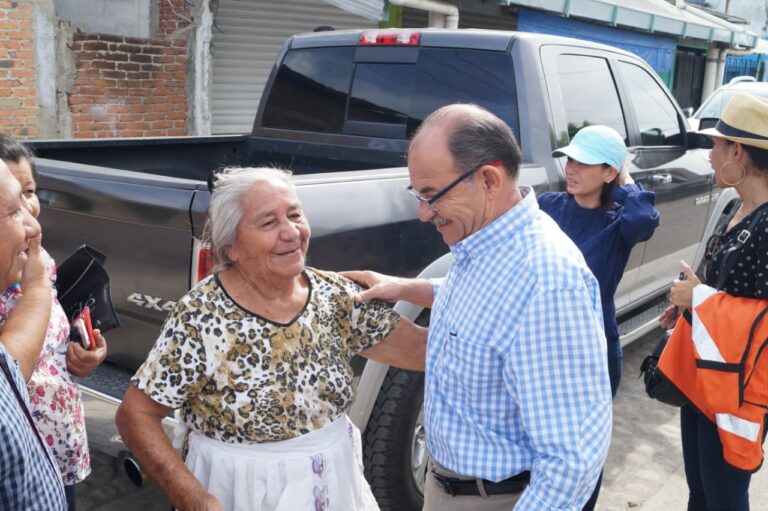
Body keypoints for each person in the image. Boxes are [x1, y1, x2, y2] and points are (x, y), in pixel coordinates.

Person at [343, 104, 612, 510]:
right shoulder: (487, 244)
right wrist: (401, 287)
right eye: (417, 193)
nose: (422, 212)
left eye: (432, 194)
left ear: (488, 179)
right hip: (451, 489)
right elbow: (484, 299)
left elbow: (571, 460)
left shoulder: (548, 281)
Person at [115, 166, 427, 511]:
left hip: (332, 481)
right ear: (230, 246)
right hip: (239, 490)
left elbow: (426, 350)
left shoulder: (335, 296)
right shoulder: (203, 314)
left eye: (295, 215)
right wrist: (193, 498)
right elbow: (137, 414)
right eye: (268, 223)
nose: (291, 232)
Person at [539, 126, 659, 510]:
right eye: (570, 159)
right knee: (539, 449)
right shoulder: (548, 207)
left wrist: (624, 178)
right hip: (540, 344)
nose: (571, 168)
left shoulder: (620, 221)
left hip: (592, 350)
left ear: (609, 172)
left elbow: (645, 219)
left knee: (583, 456)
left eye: (584, 162)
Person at [665, 93, 768, 511]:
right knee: (701, 494)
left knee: (724, 500)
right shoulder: (736, 208)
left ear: (737, 151)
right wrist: (690, 303)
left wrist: (701, 299)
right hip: (705, 377)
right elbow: (726, 289)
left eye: (716, 145)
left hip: (738, 391)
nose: (710, 155)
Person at [0, 135, 108, 511]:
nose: (28, 210)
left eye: (29, 193)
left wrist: (84, 353)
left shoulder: (37, 258)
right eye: (12, 207)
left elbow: (52, 335)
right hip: (21, 454)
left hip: (59, 445)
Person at [0, 158, 66, 509]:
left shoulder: (37, 266)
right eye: (12, 212)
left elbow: (8, 361)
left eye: (30, 195)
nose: (31, 224)